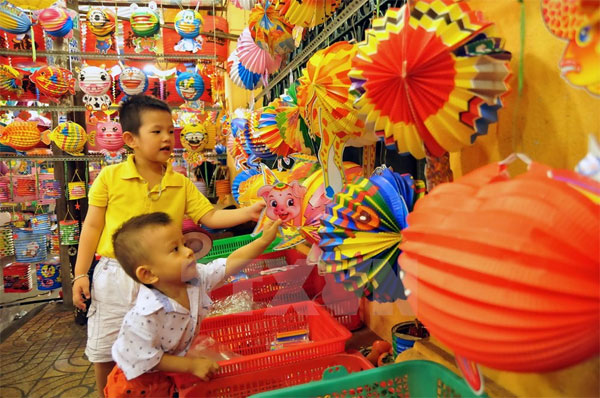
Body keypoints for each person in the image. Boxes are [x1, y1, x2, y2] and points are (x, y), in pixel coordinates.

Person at [72, 95, 265, 396]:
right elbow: (92, 226)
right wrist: (81, 273)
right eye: (156, 131)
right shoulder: (109, 177)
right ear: (130, 139)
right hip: (114, 277)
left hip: (164, 278)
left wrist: (249, 211)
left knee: (159, 344)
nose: (167, 138)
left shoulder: (181, 182)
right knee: (105, 347)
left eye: (170, 131)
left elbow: (210, 215)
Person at [105, 212, 281, 397]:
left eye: (184, 244)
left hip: (167, 375)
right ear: (148, 274)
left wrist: (263, 241)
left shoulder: (194, 280)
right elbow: (148, 358)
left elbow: (228, 264)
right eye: (175, 249)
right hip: (135, 385)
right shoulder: (146, 314)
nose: (188, 251)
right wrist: (191, 365)